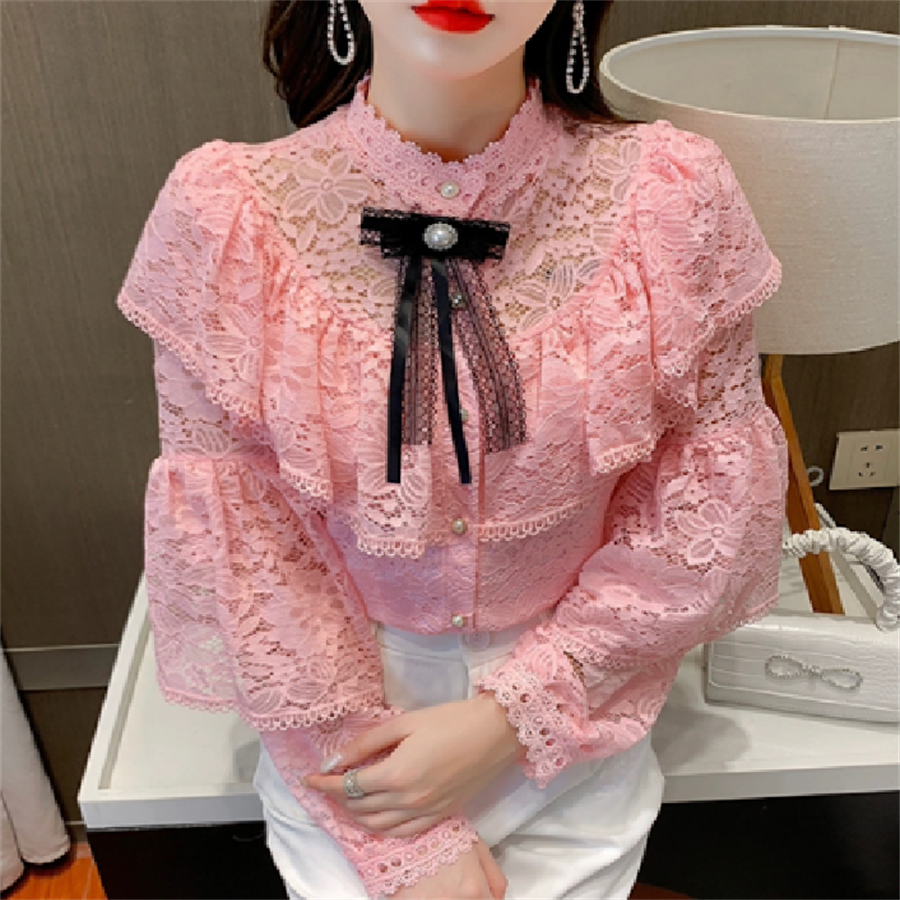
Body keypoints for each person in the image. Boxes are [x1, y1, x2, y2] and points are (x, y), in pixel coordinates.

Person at [115, 0, 789, 897]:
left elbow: (703, 502)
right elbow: (241, 540)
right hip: (342, 733)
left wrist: (514, 715)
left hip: (581, 715)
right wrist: (399, 838)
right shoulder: (223, 211)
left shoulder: (675, 192)